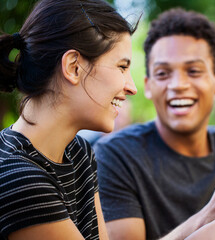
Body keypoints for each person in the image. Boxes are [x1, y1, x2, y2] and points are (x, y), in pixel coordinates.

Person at [94, 8, 215, 240]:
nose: (178, 84)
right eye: (163, 73)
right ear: (148, 86)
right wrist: (211, 216)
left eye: (193, 71)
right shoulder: (115, 154)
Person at [0, 0, 138, 239]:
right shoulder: (19, 178)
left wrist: (210, 214)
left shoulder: (78, 152)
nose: (132, 87)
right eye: (122, 67)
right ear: (73, 67)